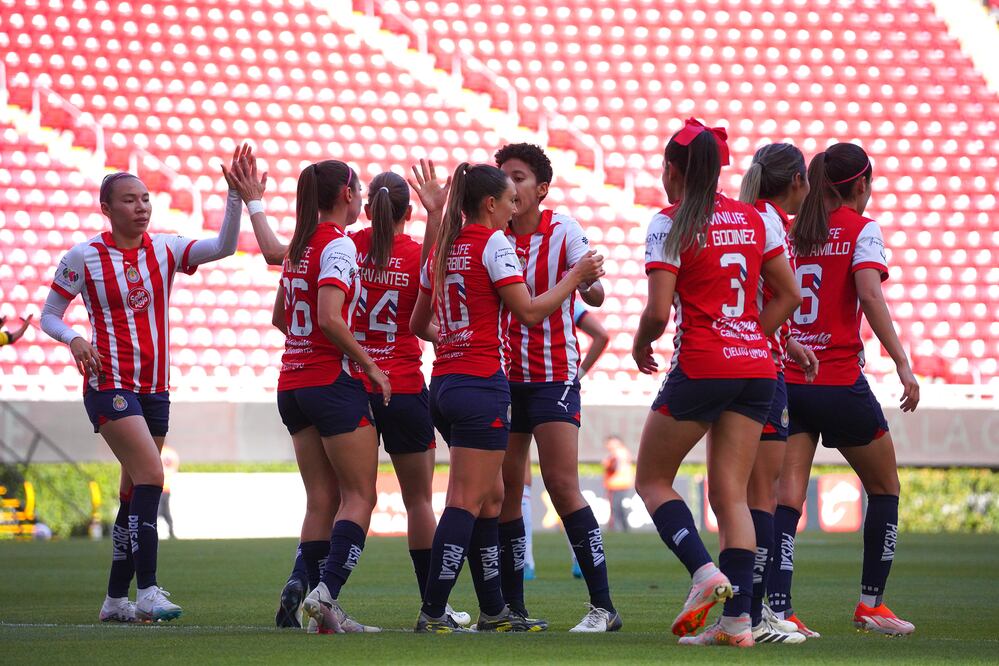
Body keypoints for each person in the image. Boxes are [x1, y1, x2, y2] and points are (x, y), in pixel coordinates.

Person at [40, 166, 242, 623]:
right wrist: (74, 337)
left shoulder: (166, 248)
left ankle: (115, 600)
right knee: (151, 474)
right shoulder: (84, 256)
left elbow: (223, 247)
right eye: (129, 199)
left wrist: (235, 197)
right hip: (110, 384)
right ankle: (148, 590)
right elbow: (50, 314)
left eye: (145, 198)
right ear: (106, 208)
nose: (141, 206)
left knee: (132, 493)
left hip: (156, 388)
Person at [409, 162, 603, 632]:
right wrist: (574, 276)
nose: (514, 208)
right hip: (481, 383)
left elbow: (417, 324)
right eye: (509, 200)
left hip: (445, 383)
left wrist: (455, 341)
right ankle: (433, 611)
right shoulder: (494, 243)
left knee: (494, 495)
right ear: (490, 203)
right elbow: (530, 312)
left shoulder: (443, 248)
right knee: (466, 499)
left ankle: (494, 610)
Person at [632, 118, 801, 647]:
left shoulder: (670, 222)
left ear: (672, 169)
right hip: (757, 368)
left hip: (703, 363)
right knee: (732, 498)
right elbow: (789, 294)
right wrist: (748, 337)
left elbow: (658, 311)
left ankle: (704, 573)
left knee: (652, 480)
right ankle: (737, 625)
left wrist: (640, 345)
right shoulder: (755, 218)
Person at [769, 143, 920, 637]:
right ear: (862, 185)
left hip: (791, 378)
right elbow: (870, 296)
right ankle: (871, 604)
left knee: (787, 499)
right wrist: (902, 363)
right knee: (885, 487)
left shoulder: (792, 230)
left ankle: (780, 609)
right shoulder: (861, 230)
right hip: (837, 380)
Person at [245, 155, 391, 634]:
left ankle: (302, 588)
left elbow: (281, 318)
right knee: (360, 495)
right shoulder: (338, 245)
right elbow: (329, 317)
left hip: (292, 383)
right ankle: (325, 596)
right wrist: (370, 365)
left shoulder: (300, 248)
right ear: (347, 195)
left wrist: (253, 203)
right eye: (358, 191)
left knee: (320, 500)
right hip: (331, 382)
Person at [493, 143, 621, 633]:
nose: (509, 185)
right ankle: (514, 609)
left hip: (553, 377)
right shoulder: (494, 236)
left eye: (519, 176)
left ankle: (603, 607)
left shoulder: (564, 230)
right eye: (503, 176)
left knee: (562, 485)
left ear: (542, 188)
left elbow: (595, 292)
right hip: (505, 378)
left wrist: (588, 282)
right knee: (509, 492)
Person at [737, 142, 819, 644]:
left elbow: (754, 298)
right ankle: (752, 612)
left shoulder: (759, 219)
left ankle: (746, 610)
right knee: (758, 497)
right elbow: (777, 299)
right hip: (759, 372)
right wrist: (761, 343)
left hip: (757, 363)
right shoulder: (766, 223)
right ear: (796, 182)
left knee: (746, 495)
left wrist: (788, 343)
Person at [602, 435, 634, 533]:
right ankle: (620, 528)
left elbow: (614, 467)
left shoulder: (619, 454)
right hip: (618, 484)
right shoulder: (620, 453)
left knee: (616, 507)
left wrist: (607, 463)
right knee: (616, 507)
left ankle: (618, 528)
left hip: (618, 484)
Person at [574, 299, 609, 378]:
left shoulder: (567, 302)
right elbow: (602, 336)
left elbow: (602, 336)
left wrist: (578, 375)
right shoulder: (566, 301)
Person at [158, 444, 179, 539]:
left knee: (158, 512)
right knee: (165, 511)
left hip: (159, 487)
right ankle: (171, 532)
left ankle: (152, 532)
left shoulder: (157, 450)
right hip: (167, 488)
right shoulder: (172, 453)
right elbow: (174, 468)